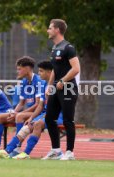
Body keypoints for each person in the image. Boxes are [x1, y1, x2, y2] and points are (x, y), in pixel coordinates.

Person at [0, 61, 63, 159]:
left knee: (36, 123)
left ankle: (25, 153)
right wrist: (31, 118)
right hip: (45, 114)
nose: (39, 73)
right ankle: (7, 150)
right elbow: (41, 105)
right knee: (27, 126)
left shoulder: (55, 85)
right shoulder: (43, 85)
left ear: (50, 73)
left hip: (57, 116)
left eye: (41, 71)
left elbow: (48, 106)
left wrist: (33, 117)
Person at [0, 56, 41, 158]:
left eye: (19, 69)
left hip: (38, 112)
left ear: (27, 69)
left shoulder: (38, 81)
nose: (17, 72)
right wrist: (13, 112)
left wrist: (18, 113)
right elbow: (21, 103)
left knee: (19, 116)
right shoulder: (24, 82)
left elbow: (38, 104)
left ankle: (17, 149)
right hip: (28, 112)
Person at [43, 19, 80, 160]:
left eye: (50, 28)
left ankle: (70, 152)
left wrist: (63, 81)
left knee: (67, 120)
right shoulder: (54, 48)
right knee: (49, 118)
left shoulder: (68, 48)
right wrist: (50, 86)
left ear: (57, 30)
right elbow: (54, 70)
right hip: (56, 88)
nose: (48, 30)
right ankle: (56, 150)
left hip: (68, 88)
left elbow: (76, 69)